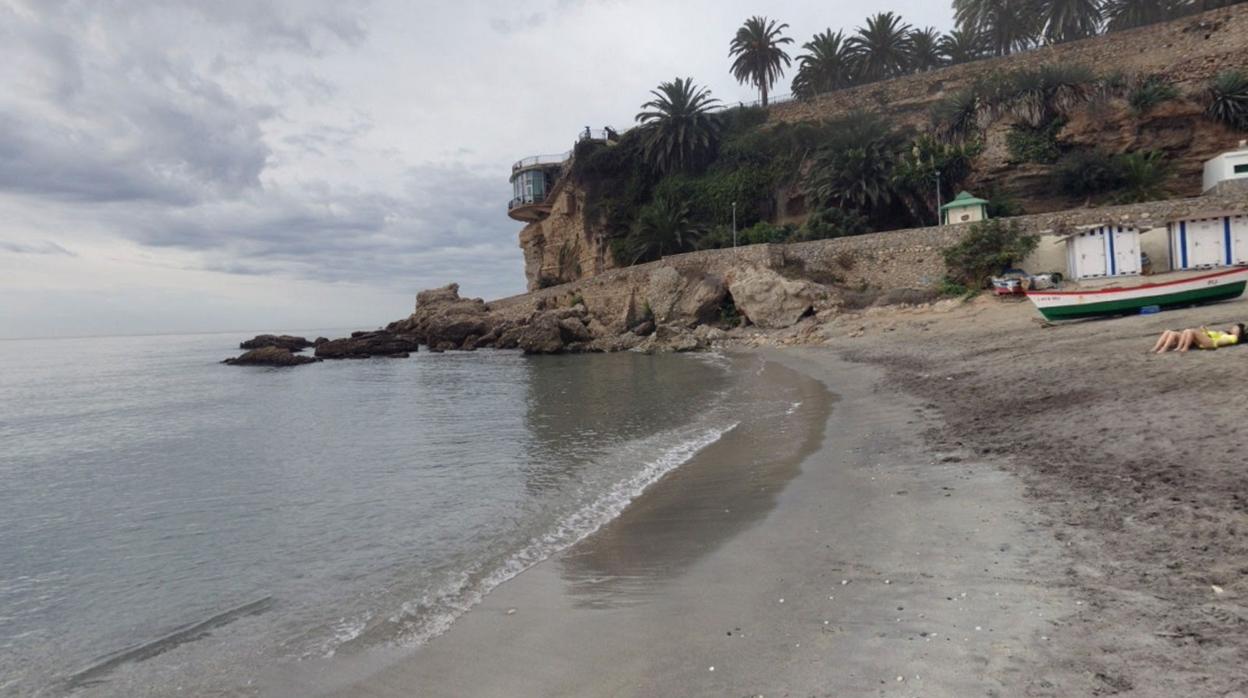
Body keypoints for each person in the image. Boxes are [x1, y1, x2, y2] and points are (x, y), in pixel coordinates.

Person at [1151, 323, 1245, 353]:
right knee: (1169, 331)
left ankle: (1182, 347)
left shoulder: (1234, 338)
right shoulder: (1225, 333)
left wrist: (1219, 334)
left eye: (1236, 328)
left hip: (1212, 344)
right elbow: (1211, 336)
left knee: (1190, 330)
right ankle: (1157, 348)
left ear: (1239, 332)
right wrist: (1205, 332)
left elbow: (1220, 340)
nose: (1233, 328)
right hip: (1208, 340)